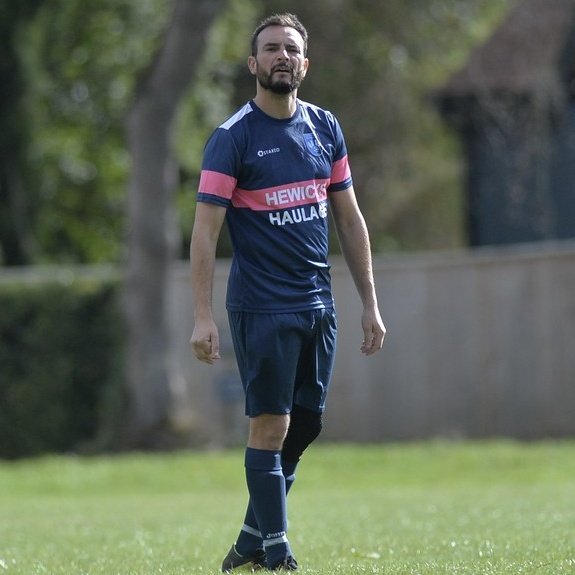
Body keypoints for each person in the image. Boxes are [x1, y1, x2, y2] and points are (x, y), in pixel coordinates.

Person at [190, 12, 386, 572]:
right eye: (270, 48)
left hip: (317, 306)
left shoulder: (325, 128)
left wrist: (370, 303)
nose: (281, 56)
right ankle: (278, 554)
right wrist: (202, 314)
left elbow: (349, 220)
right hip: (262, 307)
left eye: (290, 49)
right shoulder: (232, 139)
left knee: (306, 424)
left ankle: (250, 542)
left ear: (305, 62)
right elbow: (205, 232)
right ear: (253, 64)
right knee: (270, 426)